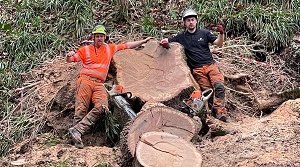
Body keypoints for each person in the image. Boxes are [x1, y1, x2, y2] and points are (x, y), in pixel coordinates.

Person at [66, 25, 151, 148]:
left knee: (102, 107)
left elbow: (126, 45)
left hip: (99, 84)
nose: (99, 38)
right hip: (85, 80)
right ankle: (74, 139)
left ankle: (77, 130)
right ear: (93, 37)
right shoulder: (85, 49)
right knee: (81, 109)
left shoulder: (109, 48)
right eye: (97, 36)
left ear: (104, 37)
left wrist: (143, 41)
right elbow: (71, 59)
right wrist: (69, 56)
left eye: (101, 36)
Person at [160, 9, 228, 122]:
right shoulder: (181, 37)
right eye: (188, 20)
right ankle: (213, 114)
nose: (191, 22)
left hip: (211, 66)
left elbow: (219, 43)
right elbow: (166, 40)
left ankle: (221, 112)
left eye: (192, 20)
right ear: (184, 23)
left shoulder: (204, 33)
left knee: (219, 86)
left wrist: (221, 33)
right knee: (208, 92)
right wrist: (165, 43)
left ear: (196, 21)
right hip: (197, 70)